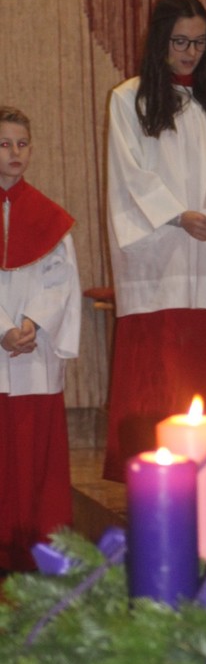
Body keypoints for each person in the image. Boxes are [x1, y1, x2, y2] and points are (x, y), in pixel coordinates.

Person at [104, 0, 206, 481]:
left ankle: (204, 475)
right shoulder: (129, 98)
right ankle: (148, 476)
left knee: (204, 372)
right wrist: (177, 216)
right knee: (155, 372)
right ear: (160, 41)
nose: (190, 53)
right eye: (180, 41)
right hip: (158, 256)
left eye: (200, 42)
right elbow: (131, 175)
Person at [0, 106, 81, 571]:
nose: (15, 152)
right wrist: (4, 330)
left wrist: (31, 322)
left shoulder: (49, 217)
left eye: (22, 143)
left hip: (34, 349)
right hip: (4, 345)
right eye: (4, 144)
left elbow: (60, 279)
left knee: (34, 454)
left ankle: (38, 544)